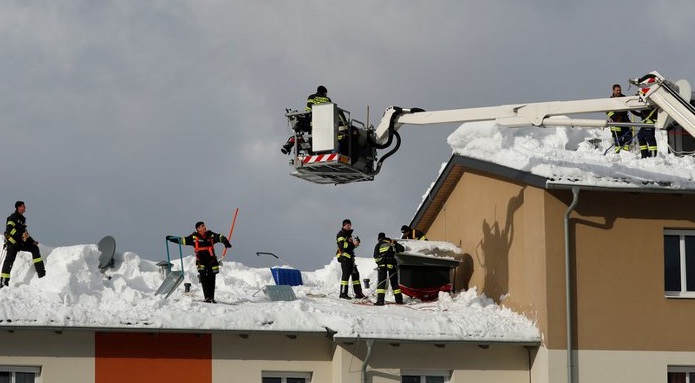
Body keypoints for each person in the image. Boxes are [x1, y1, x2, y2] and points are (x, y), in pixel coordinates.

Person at [166, 221, 231, 303]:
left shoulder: (210, 235)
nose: (204, 227)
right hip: (201, 261)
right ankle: (207, 297)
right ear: (198, 229)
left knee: (212, 278)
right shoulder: (194, 237)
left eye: (204, 225)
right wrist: (172, 238)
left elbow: (219, 237)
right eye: (202, 226)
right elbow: (183, 240)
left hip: (212, 260)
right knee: (203, 278)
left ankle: (212, 298)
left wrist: (225, 241)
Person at [2, 201, 46, 287]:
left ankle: (41, 273)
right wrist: (20, 235)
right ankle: (3, 283)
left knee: (34, 248)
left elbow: (25, 233)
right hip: (12, 243)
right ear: (18, 207)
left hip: (20, 243)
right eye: (23, 206)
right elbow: (9, 229)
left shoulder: (22, 219)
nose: (25, 208)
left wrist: (32, 241)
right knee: (9, 262)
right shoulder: (13, 217)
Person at [281, 85, 333, 155]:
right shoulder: (327, 99)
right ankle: (309, 149)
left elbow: (308, 109)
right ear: (324, 93)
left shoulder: (311, 97)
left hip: (311, 122)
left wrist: (303, 118)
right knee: (315, 139)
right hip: (323, 124)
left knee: (302, 131)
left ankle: (291, 145)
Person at [335, 219, 365, 299]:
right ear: (343, 225)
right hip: (344, 258)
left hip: (350, 258)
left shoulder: (348, 235)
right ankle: (343, 294)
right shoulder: (341, 234)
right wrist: (352, 244)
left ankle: (358, 294)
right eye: (347, 225)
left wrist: (356, 244)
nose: (349, 226)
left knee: (355, 275)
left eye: (350, 225)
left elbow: (350, 247)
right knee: (346, 276)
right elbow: (342, 246)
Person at [373, 232, 405, 305]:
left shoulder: (378, 244)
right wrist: (395, 243)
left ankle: (380, 301)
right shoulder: (392, 243)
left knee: (381, 283)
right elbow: (402, 249)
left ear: (379, 238)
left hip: (382, 267)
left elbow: (375, 256)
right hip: (392, 266)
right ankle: (399, 300)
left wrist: (379, 263)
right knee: (394, 283)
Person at [632, 74, 659, 158]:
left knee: (650, 138)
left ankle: (653, 156)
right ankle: (644, 156)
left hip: (650, 121)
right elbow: (640, 114)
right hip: (645, 122)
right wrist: (631, 109)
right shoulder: (644, 97)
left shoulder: (650, 97)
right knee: (641, 137)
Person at [606, 84, 633, 152]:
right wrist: (614, 117)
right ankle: (617, 150)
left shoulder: (624, 98)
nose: (618, 91)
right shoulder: (610, 100)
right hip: (615, 121)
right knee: (617, 137)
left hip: (624, 119)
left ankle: (626, 148)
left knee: (629, 134)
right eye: (617, 90)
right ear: (613, 91)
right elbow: (608, 111)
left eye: (619, 90)